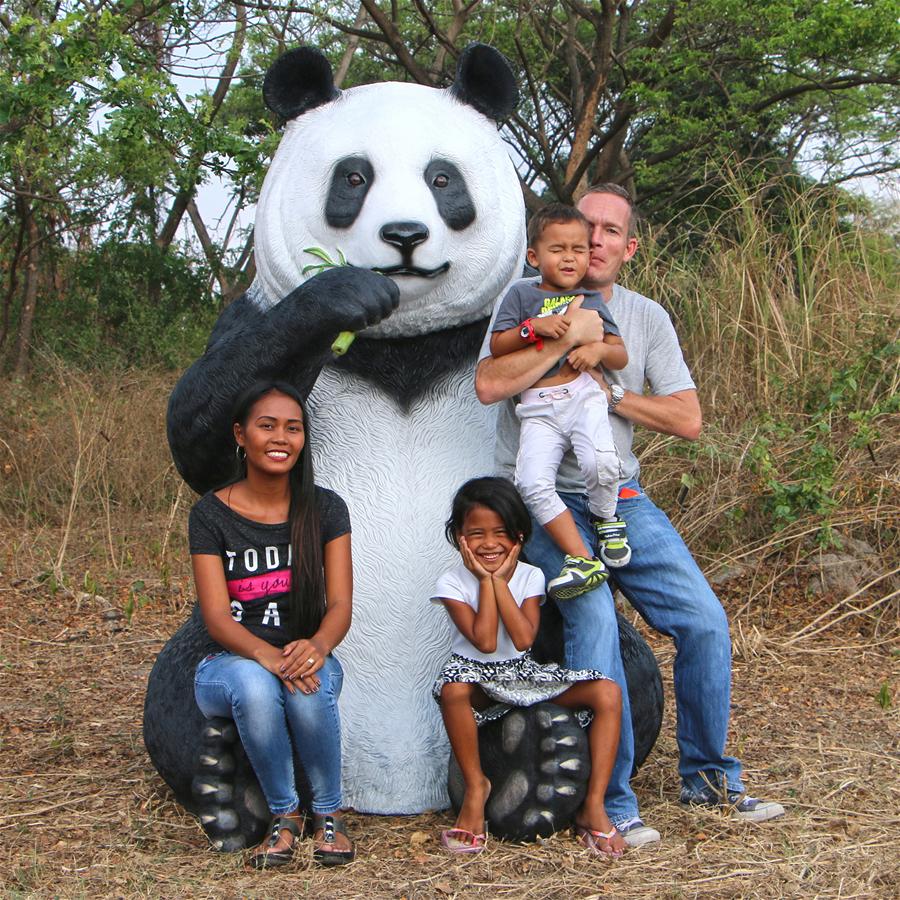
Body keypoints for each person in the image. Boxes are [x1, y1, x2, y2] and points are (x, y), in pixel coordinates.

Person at [475, 184, 785, 847]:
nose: (594, 241)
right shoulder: (527, 299)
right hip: (543, 506)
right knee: (595, 630)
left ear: (626, 247)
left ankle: (707, 778)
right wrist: (563, 339)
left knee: (704, 622)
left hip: (622, 499)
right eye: (582, 228)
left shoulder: (644, 317)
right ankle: (609, 806)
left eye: (609, 231)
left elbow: (687, 418)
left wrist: (609, 389)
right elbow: (489, 385)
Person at [190, 380, 355, 868]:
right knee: (256, 684)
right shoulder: (211, 514)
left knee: (309, 686)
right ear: (241, 435)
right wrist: (268, 657)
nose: (281, 438)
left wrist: (318, 647)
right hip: (230, 664)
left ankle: (329, 816)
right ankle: (286, 816)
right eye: (267, 426)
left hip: (306, 655)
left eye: (293, 428)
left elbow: (341, 603)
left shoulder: (325, 509)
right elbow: (216, 616)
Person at [431, 476, 626, 858]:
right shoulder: (452, 582)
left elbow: (522, 640)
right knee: (452, 690)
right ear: (459, 537)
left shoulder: (531, 576)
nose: (489, 544)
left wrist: (501, 582)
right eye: (476, 534)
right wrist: (488, 581)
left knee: (607, 692)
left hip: (522, 673)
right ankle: (475, 788)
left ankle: (594, 805)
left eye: (501, 533)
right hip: (475, 678)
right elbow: (485, 642)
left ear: (519, 537)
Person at [489, 204, 632, 604]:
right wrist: (533, 328)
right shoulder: (521, 294)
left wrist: (598, 350)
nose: (569, 258)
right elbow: (499, 346)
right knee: (531, 483)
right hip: (536, 406)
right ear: (534, 257)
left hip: (582, 397)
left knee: (600, 463)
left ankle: (606, 519)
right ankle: (581, 559)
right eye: (557, 249)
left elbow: (620, 356)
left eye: (579, 249)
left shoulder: (589, 298)